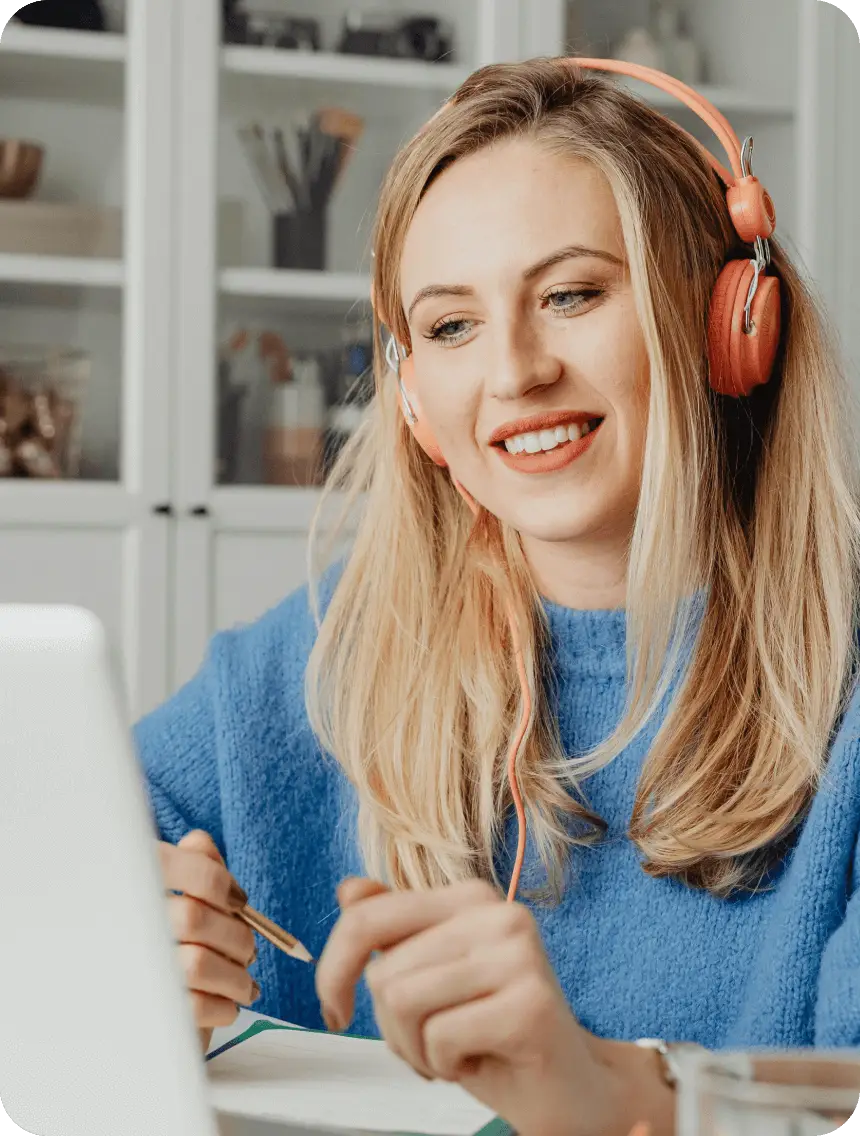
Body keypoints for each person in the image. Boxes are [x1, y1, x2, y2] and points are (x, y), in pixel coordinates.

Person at [137, 57, 860, 1136]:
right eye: (450, 326)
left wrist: (626, 1098)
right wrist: (106, 953)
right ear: (413, 399)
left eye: (568, 295)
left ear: (729, 325)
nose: (513, 372)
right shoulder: (316, 654)